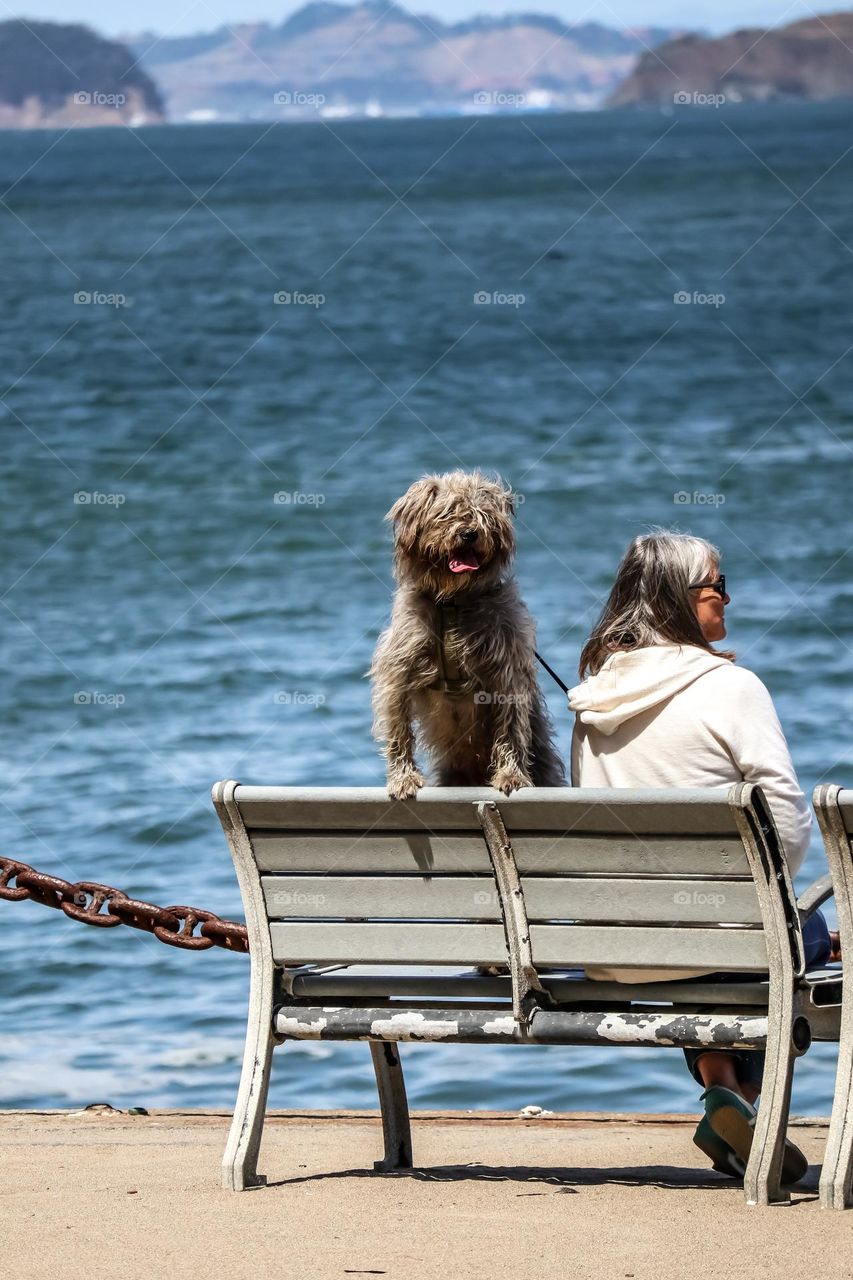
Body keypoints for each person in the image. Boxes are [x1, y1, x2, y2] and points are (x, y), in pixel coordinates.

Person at [568, 529, 838, 1184]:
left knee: (707, 929)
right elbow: (789, 823)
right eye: (712, 583)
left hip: (617, 948)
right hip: (720, 940)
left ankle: (723, 1085)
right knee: (802, 933)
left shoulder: (590, 699)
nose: (724, 596)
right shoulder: (733, 687)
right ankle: (746, 1101)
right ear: (671, 599)